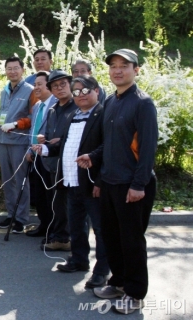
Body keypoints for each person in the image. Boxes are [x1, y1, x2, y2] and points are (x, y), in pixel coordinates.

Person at [77, 49, 158, 314]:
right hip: (110, 182)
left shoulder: (142, 103)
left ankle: (135, 294)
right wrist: (95, 165)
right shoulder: (111, 101)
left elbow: (147, 149)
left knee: (131, 241)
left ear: (136, 70)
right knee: (112, 238)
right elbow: (108, 145)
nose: (117, 70)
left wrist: (139, 185)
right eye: (113, 66)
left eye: (124, 65)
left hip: (131, 184)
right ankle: (119, 282)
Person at [33, 75, 109, 289]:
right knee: (75, 226)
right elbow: (64, 145)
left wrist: (100, 181)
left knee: (101, 229)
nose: (80, 96)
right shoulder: (73, 115)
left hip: (92, 182)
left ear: (96, 91)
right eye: (76, 92)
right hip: (70, 181)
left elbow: (108, 149)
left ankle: (102, 270)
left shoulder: (103, 114)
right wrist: (45, 149)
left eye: (85, 91)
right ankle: (79, 260)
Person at [0, 56, 33, 233]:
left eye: (16, 68)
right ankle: (11, 215)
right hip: (3, 140)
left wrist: (16, 124)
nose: (12, 71)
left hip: (19, 142)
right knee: (7, 180)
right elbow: (4, 114)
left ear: (23, 70)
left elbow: (34, 117)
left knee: (20, 180)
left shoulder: (31, 91)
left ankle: (21, 219)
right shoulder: (4, 91)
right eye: (9, 68)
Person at [37, 69, 77, 251]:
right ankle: (60, 236)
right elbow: (48, 133)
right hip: (53, 164)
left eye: (63, 84)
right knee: (57, 204)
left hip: (71, 165)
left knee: (71, 205)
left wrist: (61, 141)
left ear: (70, 85)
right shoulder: (53, 110)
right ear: (51, 90)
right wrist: (42, 141)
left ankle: (71, 239)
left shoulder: (78, 107)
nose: (60, 89)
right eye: (55, 86)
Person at [25, 71, 57, 238]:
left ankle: (54, 229)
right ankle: (43, 225)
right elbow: (33, 130)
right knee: (39, 195)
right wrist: (30, 149)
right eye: (35, 84)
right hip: (35, 155)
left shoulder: (57, 104)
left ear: (49, 85)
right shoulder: (37, 105)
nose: (36, 87)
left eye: (39, 84)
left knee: (50, 195)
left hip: (50, 157)